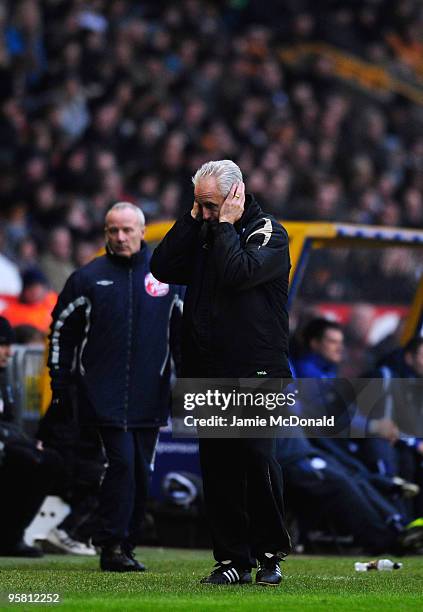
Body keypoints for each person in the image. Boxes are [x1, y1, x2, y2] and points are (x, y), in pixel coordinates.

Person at [151, 160, 292, 586]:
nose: (206, 213)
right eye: (200, 205)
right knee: (218, 465)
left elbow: (237, 273)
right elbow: (162, 266)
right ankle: (232, 560)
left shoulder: (269, 232)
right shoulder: (205, 230)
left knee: (256, 457)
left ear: (236, 196)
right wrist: (193, 218)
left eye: (211, 205)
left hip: (257, 369)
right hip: (208, 368)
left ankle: (269, 554)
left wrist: (226, 224)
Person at [47, 202, 183, 572]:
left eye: (126, 230)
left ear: (141, 232)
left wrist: (186, 384)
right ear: (105, 233)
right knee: (121, 466)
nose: (120, 237)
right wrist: (60, 382)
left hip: (150, 397)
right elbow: (61, 332)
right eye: (112, 230)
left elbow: (184, 337)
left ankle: (126, 543)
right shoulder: (87, 278)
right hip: (101, 397)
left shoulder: (167, 280)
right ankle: (111, 546)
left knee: (140, 471)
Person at [0, 315, 62, 557]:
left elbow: (10, 422)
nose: (9, 352)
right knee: (24, 457)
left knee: (48, 460)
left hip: (6, 444)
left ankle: (11, 536)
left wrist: (24, 441)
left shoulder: (5, 378)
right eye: (3, 345)